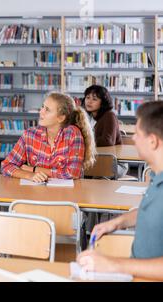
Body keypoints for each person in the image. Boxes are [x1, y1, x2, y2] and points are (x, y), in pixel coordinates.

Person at [77, 101, 163, 281]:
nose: (133, 139)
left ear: (153, 141)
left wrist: (114, 265)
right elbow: (152, 212)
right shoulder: (156, 176)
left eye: (137, 134)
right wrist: (117, 223)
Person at [1, 92, 96, 182]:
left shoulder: (73, 134)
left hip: (65, 195)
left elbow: (73, 173)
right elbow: (6, 165)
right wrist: (29, 175)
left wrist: (33, 169)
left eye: (47, 109)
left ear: (61, 118)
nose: (41, 112)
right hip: (36, 193)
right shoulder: (30, 134)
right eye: (42, 107)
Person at [82, 85, 127, 178]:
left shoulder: (109, 115)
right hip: (96, 159)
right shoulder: (88, 117)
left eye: (94, 99)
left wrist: (84, 141)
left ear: (103, 102)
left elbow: (107, 141)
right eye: (87, 97)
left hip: (113, 162)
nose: (89, 101)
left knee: (87, 173)